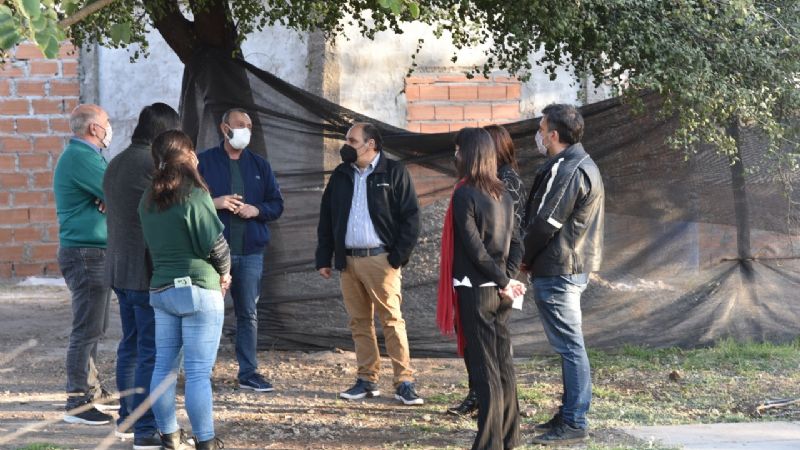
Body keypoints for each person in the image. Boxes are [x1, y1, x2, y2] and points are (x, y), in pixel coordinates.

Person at [315, 122, 423, 405]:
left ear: (370, 144)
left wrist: (396, 257)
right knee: (359, 322)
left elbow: (411, 217)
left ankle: (404, 382)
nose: (346, 145)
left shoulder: (394, 171)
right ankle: (367, 380)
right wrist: (324, 257)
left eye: (352, 140)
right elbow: (327, 217)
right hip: (348, 261)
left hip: (380, 260)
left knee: (391, 320)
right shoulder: (340, 174)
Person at [139, 130, 231, 450]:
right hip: (199, 290)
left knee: (163, 368)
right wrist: (226, 274)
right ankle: (205, 441)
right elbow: (216, 246)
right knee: (196, 374)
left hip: (162, 290)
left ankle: (170, 436)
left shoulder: (148, 198)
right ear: (188, 155)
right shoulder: (194, 194)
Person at [521, 104, 605, 446]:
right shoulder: (575, 164)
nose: (538, 136)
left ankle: (574, 420)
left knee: (571, 347)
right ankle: (569, 412)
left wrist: (522, 259)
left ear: (553, 135)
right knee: (569, 346)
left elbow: (546, 222)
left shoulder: (569, 169)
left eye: (541, 129)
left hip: (560, 269)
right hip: (568, 266)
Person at [438, 127, 525, 450]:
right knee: (503, 365)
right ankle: (509, 437)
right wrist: (508, 279)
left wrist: (504, 281)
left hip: (476, 291)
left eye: (459, 150)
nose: (455, 155)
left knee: (485, 368)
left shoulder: (464, 193)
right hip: (500, 292)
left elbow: (474, 249)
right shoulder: (503, 192)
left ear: (469, 154)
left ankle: (489, 443)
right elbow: (517, 244)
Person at [103, 103, 180, 448]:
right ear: (163, 133)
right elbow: (171, 214)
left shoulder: (117, 161)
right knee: (150, 350)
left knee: (130, 346)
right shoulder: (153, 165)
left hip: (119, 269)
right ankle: (145, 429)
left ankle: (127, 418)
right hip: (145, 271)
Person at [198, 108, 284, 393]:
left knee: (248, 313)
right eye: (240, 125)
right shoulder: (204, 162)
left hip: (250, 253)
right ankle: (203, 372)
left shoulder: (260, 165)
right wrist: (216, 202)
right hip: (212, 254)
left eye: (249, 125)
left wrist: (256, 209)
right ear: (225, 128)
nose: (246, 130)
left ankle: (248, 372)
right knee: (210, 314)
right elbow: (186, 203)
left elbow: (277, 204)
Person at [55, 103, 118, 425]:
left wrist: (109, 195)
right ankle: (77, 401)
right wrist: (110, 196)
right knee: (86, 329)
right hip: (85, 253)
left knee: (96, 327)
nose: (109, 127)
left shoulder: (88, 157)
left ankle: (91, 389)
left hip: (92, 252)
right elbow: (119, 191)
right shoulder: (81, 157)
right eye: (106, 123)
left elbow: (112, 192)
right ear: (94, 128)